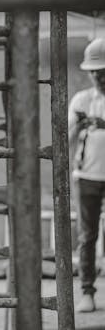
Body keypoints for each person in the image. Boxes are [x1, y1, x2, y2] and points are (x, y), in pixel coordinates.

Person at [69, 37, 105, 313]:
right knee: (87, 236)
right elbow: (65, 143)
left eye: (103, 72)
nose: (99, 77)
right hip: (87, 176)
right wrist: (80, 126)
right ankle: (87, 292)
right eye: (95, 72)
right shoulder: (81, 100)